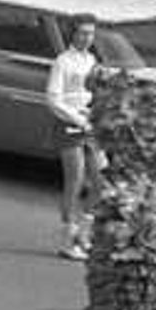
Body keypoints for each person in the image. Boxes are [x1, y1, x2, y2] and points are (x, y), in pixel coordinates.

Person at [45, 13, 102, 260]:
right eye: (82, 33)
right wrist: (79, 120)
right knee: (76, 180)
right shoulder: (62, 62)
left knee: (101, 181)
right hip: (69, 125)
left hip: (91, 125)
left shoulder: (92, 60)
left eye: (91, 33)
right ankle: (67, 240)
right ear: (73, 33)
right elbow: (53, 99)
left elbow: (95, 93)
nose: (87, 38)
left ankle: (84, 235)